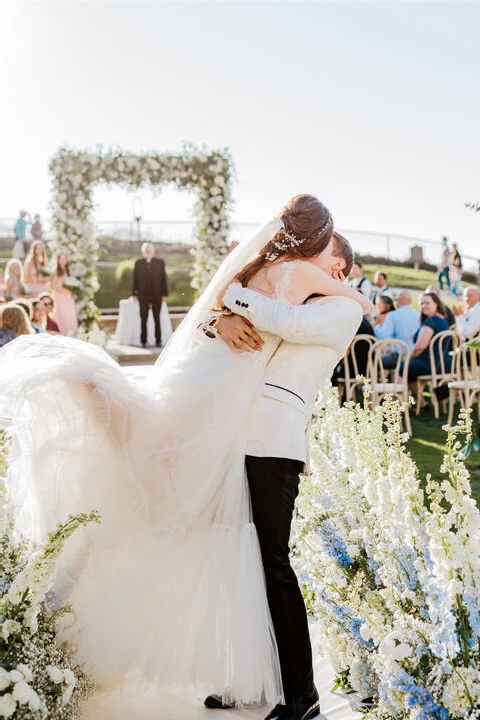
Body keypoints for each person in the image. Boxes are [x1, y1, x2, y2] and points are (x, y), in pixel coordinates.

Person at [0, 195, 372, 717]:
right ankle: (250, 683)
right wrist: (220, 319)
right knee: (234, 554)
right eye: (330, 257)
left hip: (275, 439)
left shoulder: (339, 307)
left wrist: (238, 300)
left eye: (338, 265)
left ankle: (302, 695)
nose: (331, 268)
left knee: (271, 563)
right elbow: (239, 314)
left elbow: (286, 322)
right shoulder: (295, 280)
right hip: (238, 430)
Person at [399, 292, 450, 409]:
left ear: (436, 304)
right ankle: (422, 403)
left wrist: (409, 358)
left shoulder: (431, 321)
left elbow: (420, 346)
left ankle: (397, 406)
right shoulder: (443, 320)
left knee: (401, 369)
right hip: (444, 363)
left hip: (430, 363)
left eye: (427, 303)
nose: (424, 306)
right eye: (422, 303)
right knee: (409, 372)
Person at [132, 242, 168, 347]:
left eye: (150, 249)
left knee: (157, 318)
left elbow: (163, 279)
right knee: (143, 318)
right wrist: (134, 293)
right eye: (146, 250)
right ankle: (143, 341)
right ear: (143, 251)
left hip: (157, 295)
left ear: (153, 251)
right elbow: (135, 279)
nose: (148, 251)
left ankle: (158, 340)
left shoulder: (160, 262)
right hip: (142, 295)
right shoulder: (138, 263)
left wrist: (164, 294)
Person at [374, 290, 420, 368]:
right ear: (410, 301)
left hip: (399, 356)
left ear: (398, 301)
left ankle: (380, 379)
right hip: (415, 355)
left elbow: (383, 335)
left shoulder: (392, 315)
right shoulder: (418, 315)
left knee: (372, 360)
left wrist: (377, 327)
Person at [50, 252, 78, 335]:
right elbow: (54, 287)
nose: (63, 260)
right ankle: (62, 333)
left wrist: (72, 292)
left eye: (64, 258)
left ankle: (71, 334)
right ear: (58, 260)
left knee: (69, 316)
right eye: (61, 258)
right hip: (59, 297)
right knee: (61, 316)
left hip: (68, 298)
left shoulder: (68, 271)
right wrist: (67, 291)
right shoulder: (55, 271)